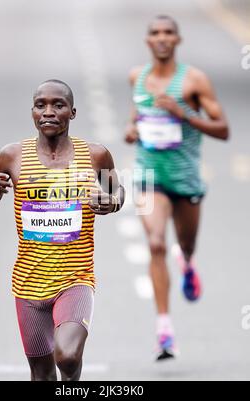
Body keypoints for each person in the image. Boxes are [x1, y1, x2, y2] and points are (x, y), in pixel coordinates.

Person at [0, 79, 125, 381]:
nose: (49, 112)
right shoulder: (10, 156)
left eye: (58, 105)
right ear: (32, 111)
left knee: (67, 358)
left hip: (75, 279)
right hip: (27, 285)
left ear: (73, 112)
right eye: (40, 105)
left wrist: (111, 202)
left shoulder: (96, 155)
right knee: (41, 374)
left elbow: (118, 191)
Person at [125, 15, 229, 361]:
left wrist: (184, 115)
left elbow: (223, 129)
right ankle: (165, 331)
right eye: (155, 33)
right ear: (147, 41)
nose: (162, 38)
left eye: (168, 33)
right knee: (155, 243)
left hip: (185, 179)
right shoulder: (137, 77)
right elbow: (136, 115)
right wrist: (132, 130)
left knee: (185, 244)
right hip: (148, 177)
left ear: (178, 40)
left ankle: (186, 262)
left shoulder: (194, 80)